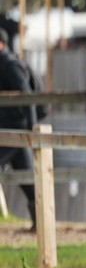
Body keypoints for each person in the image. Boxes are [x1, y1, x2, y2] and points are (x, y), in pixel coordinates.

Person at [0, 26, 43, 230]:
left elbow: (27, 98)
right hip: (7, 129)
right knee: (26, 177)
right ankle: (41, 219)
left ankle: (41, 218)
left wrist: (33, 129)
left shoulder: (10, 65)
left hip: (16, 129)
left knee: (25, 174)